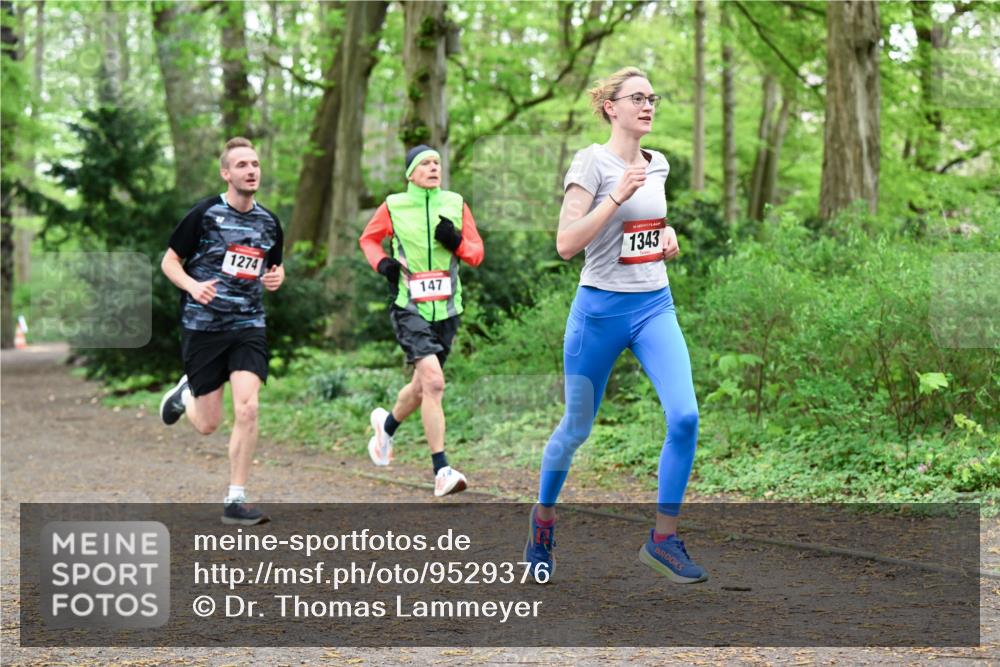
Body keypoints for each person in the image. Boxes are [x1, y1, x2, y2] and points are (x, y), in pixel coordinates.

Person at [523, 68, 707, 583]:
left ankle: (663, 540)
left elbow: (648, 229)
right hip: (599, 312)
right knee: (576, 427)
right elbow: (566, 244)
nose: (649, 105)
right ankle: (543, 520)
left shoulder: (660, 164)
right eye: (638, 98)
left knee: (686, 416)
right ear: (611, 107)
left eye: (654, 97)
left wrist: (668, 236)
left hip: (654, 306)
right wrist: (614, 198)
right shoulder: (592, 162)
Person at [158, 137, 285, 526]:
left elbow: (272, 268)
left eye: (256, 164)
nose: (251, 170)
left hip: (248, 325)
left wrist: (276, 277)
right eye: (242, 165)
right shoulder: (205, 214)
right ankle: (185, 395)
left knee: (248, 407)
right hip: (204, 327)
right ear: (226, 173)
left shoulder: (269, 222)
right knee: (208, 424)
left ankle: (236, 498)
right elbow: (169, 262)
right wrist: (193, 286)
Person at [359, 145, 484, 497]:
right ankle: (441, 469)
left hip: (447, 308)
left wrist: (457, 242)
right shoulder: (394, 206)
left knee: (420, 387)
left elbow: (476, 254)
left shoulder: (455, 203)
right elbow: (368, 239)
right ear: (410, 173)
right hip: (408, 306)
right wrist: (381, 263)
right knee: (434, 383)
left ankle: (385, 427)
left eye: (437, 163)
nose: (433, 168)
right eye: (425, 163)